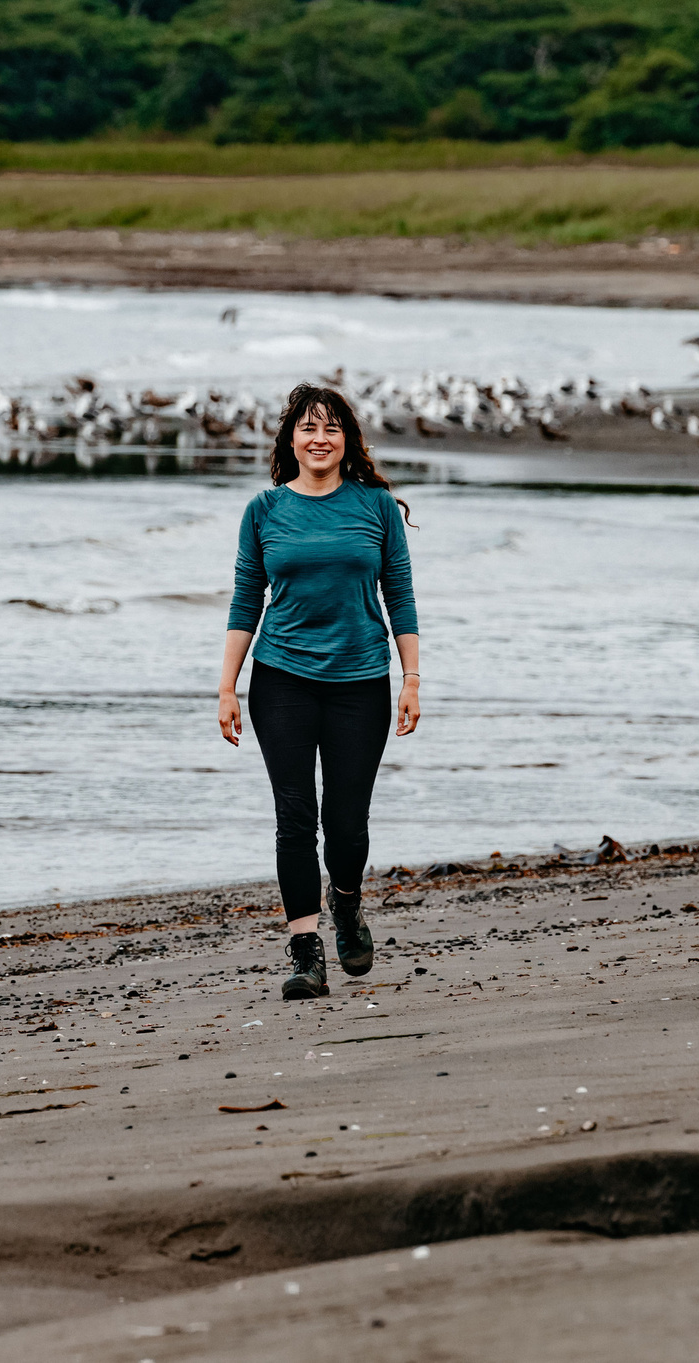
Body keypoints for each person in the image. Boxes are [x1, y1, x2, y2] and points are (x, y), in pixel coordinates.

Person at [217, 382, 420, 1000]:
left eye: (331, 428)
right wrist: (226, 686)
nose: (319, 438)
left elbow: (401, 596)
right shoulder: (265, 510)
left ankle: (348, 902)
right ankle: (307, 952)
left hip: (361, 683)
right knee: (294, 817)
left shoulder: (377, 508)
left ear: (346, 440)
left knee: (347, 820)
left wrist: (412, 679)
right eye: (308, 428)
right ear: (292, 440)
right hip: (280, 680)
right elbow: (246, 599)